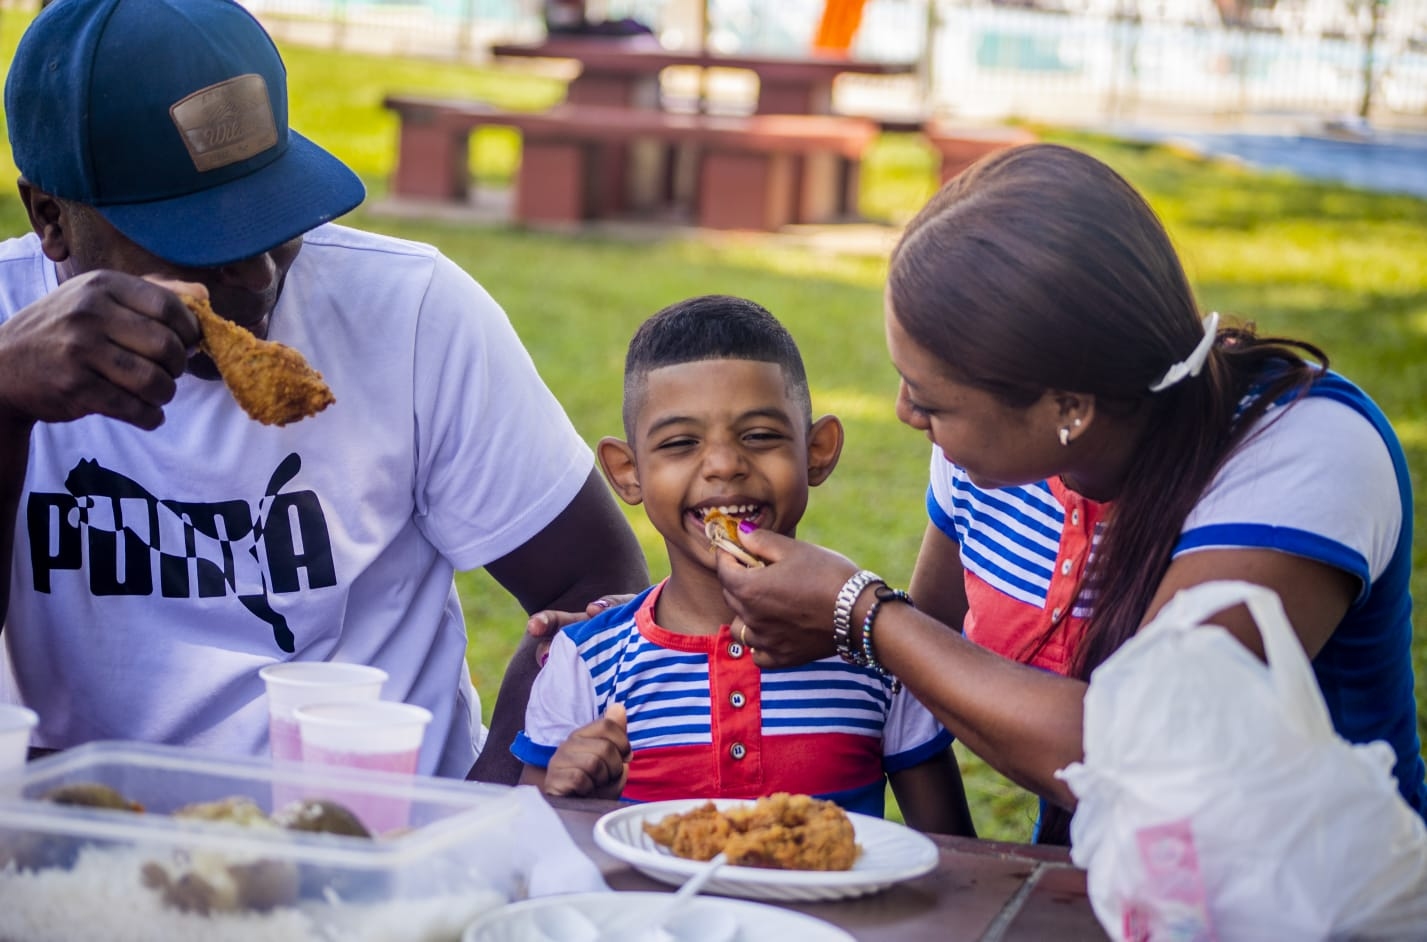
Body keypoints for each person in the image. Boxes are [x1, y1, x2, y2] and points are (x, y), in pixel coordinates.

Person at [703, 142, 1426, 844]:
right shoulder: (991, 460)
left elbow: (1137, 756)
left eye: (932, 402)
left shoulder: (1303, 453)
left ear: (1066, 409)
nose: (904, 412)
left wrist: (861, 611)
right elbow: (931, 656)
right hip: (1099, 888)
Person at [0, 0, 647, 783]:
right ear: (51, 220)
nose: (259, 273)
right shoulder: (8, 331)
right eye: (198, 240)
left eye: (271, 216)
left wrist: (473, 825)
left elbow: (595, 592)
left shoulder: (410, 311)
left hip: (373, 833)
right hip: (85, 851)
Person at [512, 295, 974, 835]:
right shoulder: (585, 662)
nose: (725, 465)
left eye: (759, 436)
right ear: (627, 472)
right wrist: (572, 799)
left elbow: (951, 857)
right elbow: (531, 852)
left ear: (818, 451)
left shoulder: (882, 650)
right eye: (681, 443)